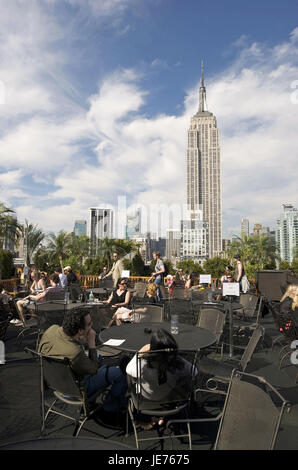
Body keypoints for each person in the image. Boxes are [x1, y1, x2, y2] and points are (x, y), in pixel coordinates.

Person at [38, 308, 128, 426]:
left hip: (55, 382)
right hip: (76, 389)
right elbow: (94, 369)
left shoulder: (51, 329)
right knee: (120, 373)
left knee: (98, 357)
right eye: (89, 324)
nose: (92, 325)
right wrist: (91, 342)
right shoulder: (74, 352)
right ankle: (110, 407)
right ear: (80, 330)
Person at [126, 328, 197, 429]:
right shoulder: (178, 363)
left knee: (125, 365)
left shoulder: (143, 366)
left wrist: (142, 351)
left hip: (147, 400)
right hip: (170, 398)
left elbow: (128, 369)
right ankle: (162, 416)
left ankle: (145, 419)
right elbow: (194, 371)